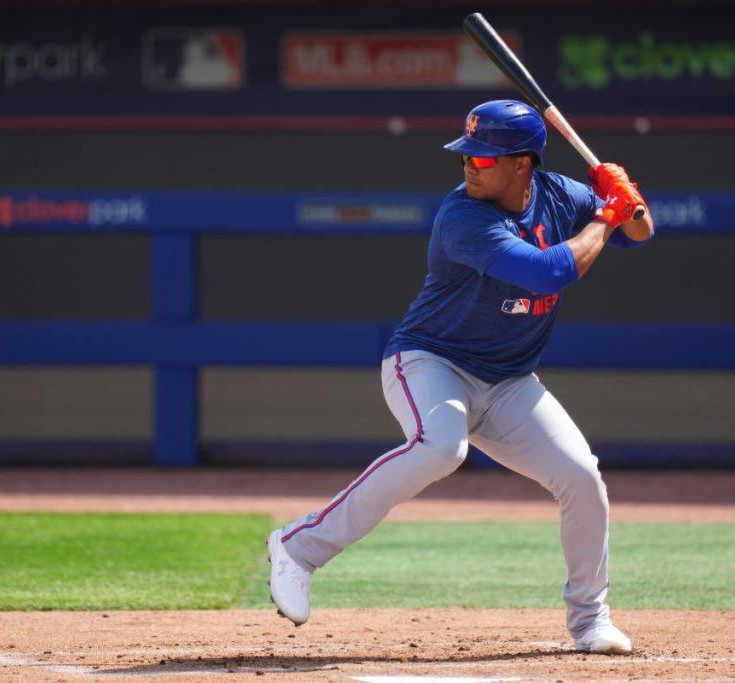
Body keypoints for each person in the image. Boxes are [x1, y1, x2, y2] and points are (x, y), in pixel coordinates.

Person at [267, 99, 654, 655]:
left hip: (510, 380)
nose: (470, 165)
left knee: (583, 477)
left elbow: (640, 234)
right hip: (430, 361)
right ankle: (299, 547)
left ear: (523, 164)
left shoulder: (560, 193)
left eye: (485, 158)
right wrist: (606, 214)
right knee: (440, 448)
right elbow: (549, 273)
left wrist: (626, 198)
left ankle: (590, 620)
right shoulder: (463, 216)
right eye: (467, 155)